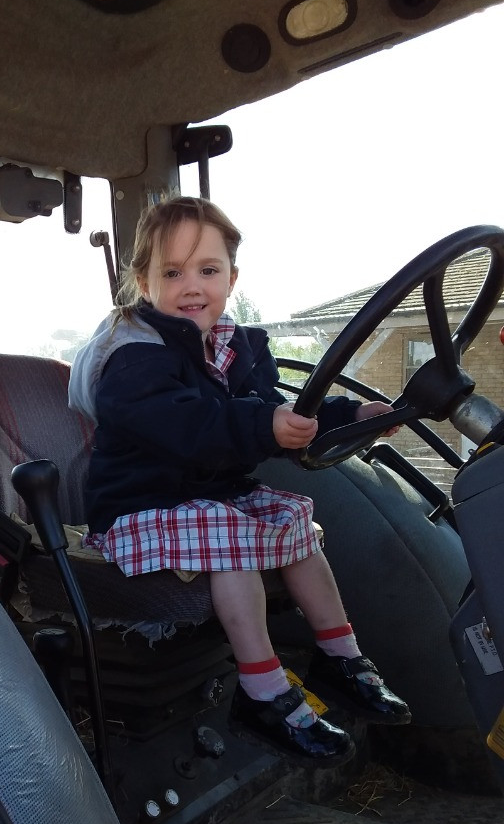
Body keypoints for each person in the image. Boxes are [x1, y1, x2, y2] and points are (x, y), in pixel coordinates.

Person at [68, 195, 411, 762]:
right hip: (134, 510)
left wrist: (348, 418)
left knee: (295, 519)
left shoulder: (235, 348)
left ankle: (341, 656)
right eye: (172, 273)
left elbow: (273, 411)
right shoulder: (133, 358)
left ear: (232, 277)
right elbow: (192, 426)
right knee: (229, 533)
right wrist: (262, 425)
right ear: (144, 282)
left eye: (208, 270)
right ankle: (263, 689)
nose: (192, 286)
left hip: (205, 499)